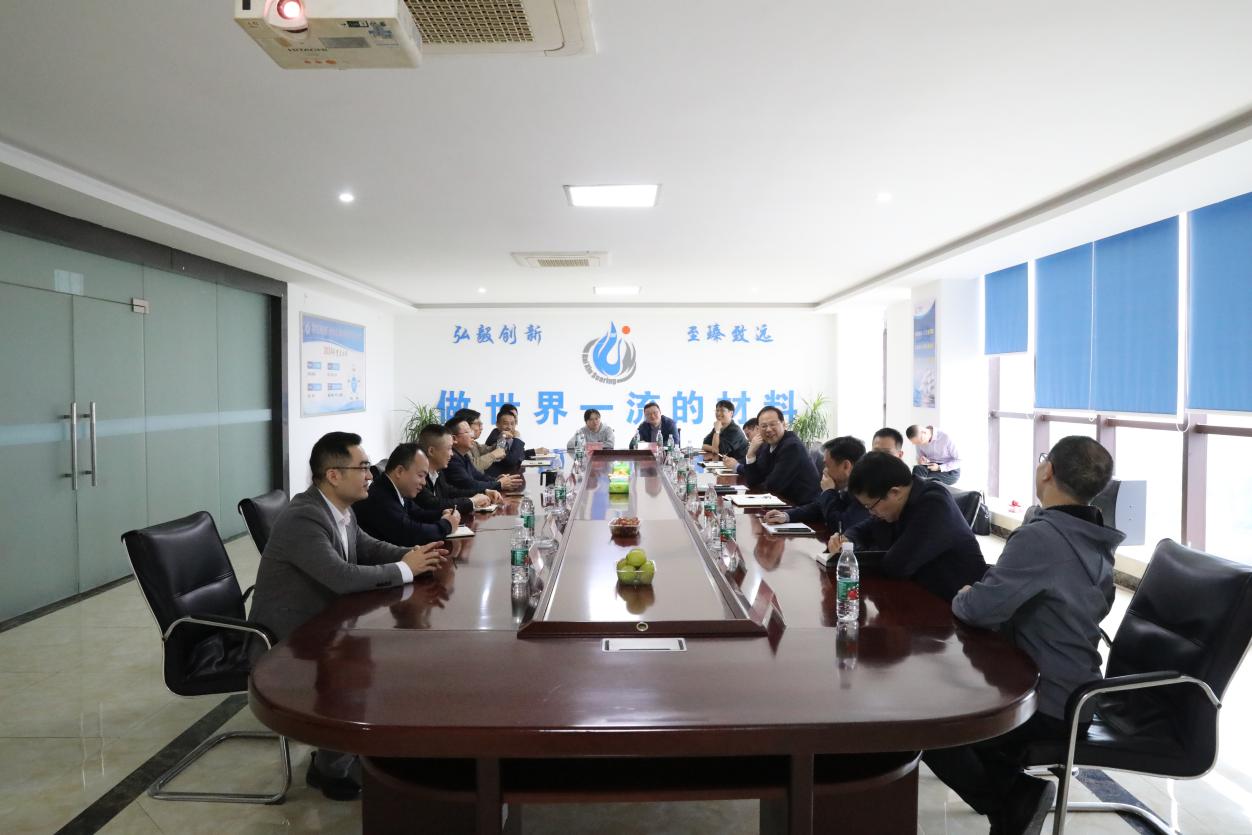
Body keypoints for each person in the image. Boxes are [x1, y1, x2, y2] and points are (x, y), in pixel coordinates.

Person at [923, 436, 1122, 835]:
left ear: (1047, 470)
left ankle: (1015, 800)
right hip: (1078, 690)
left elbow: (978, 609)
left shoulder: (1042, 537)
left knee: (931, 726)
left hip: (1047, 702)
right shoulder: (1094, 535)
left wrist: (967, 594)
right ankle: (1012, 799)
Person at [248, 432, 448, 800]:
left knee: (385, 651)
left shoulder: (339, 508)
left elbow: (367, 547)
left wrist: (415, 555)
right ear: (334, 475)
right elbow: (341, 577)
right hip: (286, 636)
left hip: (325, 620)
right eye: (363, 468)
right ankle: (331, 767)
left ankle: (354, 749)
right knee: (364, 660)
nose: (371, 475)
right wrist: (406, 569)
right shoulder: (305, 517)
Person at [834, 451, 986, 602]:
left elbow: (895, 565)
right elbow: (859, 531)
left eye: (870, 506)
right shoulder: (893, 505)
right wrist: (846, 540)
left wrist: (852, 556)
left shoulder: (934, 504)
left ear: (894, 492)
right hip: (917, 595)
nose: (871, 513)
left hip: (957, 604)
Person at [353, 443, 461, 547]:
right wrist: (446, 525)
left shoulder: (396, 488)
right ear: (399, 471)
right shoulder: (379, 497)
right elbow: (410, 534)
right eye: (420, 475)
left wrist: (442, 514)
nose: (424, 482)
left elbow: (418, 514)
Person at [763, 436, 869, 533]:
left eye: (827, 466)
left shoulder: (865, 491)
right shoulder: (845, 486)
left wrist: (828, 492)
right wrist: (786, 515)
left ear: (846, 466)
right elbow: (818, 508)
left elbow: (840, 527)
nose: (824, 471)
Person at [721, 406, 820, 505]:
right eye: (764, 426)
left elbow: (772, 486)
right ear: (758, 429)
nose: (768, 429)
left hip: (801, 506)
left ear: (784, 424)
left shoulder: (792, 447)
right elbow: (753, 480)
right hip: (781, 502)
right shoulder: (767, 445)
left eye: (773, 424)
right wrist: (750, 454)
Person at [414, 423, 494, 516]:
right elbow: (434, 504)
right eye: (449, 449)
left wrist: (484, 492)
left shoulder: (438, 472)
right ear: (431, 451)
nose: (452, 454)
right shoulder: (417, 477)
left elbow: (451, 492)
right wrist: (472, 501)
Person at [445, 417, 525, 494]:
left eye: (470, 431)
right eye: (467, 432)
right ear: (454, 439)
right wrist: (499, 484)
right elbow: (470, 485)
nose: (472, 435)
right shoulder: (452, 459)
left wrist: (496, 480)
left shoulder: (464, 455)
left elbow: (478, 476)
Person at [484, 407, 550, 476]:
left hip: (509, 475)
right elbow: (512, 460)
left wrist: (534, 451)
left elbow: (518, 454)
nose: (509, 427)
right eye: (506, 423)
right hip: (496, 478)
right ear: (497, 424)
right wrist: (517, 438)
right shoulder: (495, 437)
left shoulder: (508, 435)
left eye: (512, 423)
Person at [451, 408, 505, 473]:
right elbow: (471, 467)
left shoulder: (474, 443)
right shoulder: (460, 446)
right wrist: (493, 455)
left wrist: (503, 438)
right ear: (465, 425)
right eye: (478, 424)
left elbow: (487, 449)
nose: (481, 428)